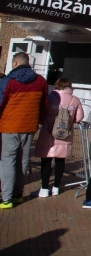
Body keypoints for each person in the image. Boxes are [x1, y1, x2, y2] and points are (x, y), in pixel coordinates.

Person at [0, 52, 48, 209]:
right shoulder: (40, 81)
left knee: (8, 160)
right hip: (29, 126)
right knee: (23, 160)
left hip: (9, 126)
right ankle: (17, 194)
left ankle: (6, 198)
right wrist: (39, 120)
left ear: (15, 63)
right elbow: (44, 104)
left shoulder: (8, 81)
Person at [33, 78, 84, 197]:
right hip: (65, 134)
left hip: (48, 133)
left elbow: (41, 115)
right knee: (60, 161)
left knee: (46, 160)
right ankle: (56, 187)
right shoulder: (75, 100)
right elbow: (79, 117)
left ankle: (44, 188)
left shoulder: (50, 99)